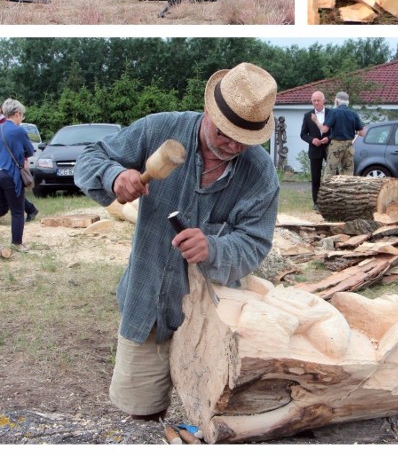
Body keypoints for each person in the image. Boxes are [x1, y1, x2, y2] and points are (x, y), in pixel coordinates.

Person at [73, 62, 279, 419]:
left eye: (244, 140)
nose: (232, 145)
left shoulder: (261, 173)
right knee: (141, 412)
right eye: (224, 132)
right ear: (208, 111)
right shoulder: (158, 129)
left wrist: (215, 248)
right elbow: (89, 159)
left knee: (218, 418)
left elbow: (255, 243)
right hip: (149, 301)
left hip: (214, 317)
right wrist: (114, 175)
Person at [0, 98, 36, 251]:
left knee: (0, 207)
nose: (21, 119)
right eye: (22, 116)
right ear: (17, 113)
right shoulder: (19, 130)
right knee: (17, 210)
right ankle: (17, 244)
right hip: (8, 174)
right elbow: (30, 151)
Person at [319, 91, 366, 178]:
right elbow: (362, 133)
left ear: (337, 101)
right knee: (347, 172)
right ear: (347, 102)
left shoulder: (334, 112)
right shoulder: (354, 114)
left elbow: (324, 129)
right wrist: (354, 131)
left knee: (330, 170)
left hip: (336, 145)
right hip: (349, 145)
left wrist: (316, 121)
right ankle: (345, 190)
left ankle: (328, 190)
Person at [300, 90, 329, 208]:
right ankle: (316, 203)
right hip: (315, 150)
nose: (316, 103)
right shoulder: (308, 115)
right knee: (315, 177)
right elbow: (303, 134)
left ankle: (331, 201)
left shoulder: (331, 114)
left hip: (328, 149)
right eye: (314, 101)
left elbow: (336, 131)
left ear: (323, 101)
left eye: (318, 100)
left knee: (332, 175)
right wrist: (312, 140)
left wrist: (329, 138)